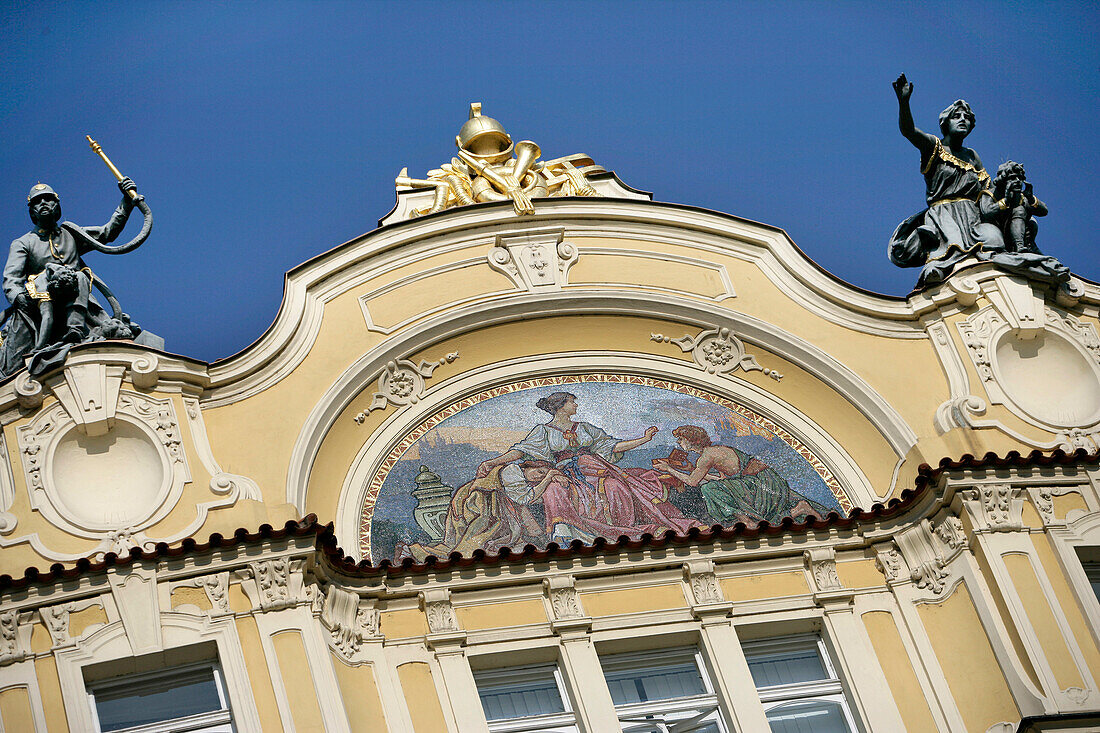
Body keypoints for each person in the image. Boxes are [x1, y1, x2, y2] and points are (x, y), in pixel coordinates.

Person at [888, 74, 1067, 288]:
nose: (963, 120)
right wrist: (904, 102)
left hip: (973, 215)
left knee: (994, 241)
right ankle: (934, 269)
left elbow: (989, 188)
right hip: (946, 214)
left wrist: (1010, 188)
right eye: (957, 116)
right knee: (950, 251)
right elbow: (908, 131)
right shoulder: (934, 147)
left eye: (967, 118)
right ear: (946, 123)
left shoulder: (973, 156)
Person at [476, 392, 704, 542]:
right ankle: (564, 533)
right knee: (555, 490)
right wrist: (493, 462)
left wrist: (644, 440)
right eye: (572, 402)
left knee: (616, 485)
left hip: (596, 468)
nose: (576, 405)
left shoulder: (584, 428)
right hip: (566, 472)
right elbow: (521, 451)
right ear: (561, 407)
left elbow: (612, 446)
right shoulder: (543, 431)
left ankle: (625, 533)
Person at [1, 179, 142, 375]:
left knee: (83, 281)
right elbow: (11, 279)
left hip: (81, 299)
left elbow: (107, 233)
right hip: (42, 301)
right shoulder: (23, 243)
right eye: (37, 202)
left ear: (57, 205)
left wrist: (126, 203)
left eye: (48, 200)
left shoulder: (71, 233)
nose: (43, 204)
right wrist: (18, 297)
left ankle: (77, 330)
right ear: (32, 211)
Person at [654, 425, 830, 525]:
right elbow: (723, 480)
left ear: (691, 440)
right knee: (712, 486)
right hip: (763, 481)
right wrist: (688, 471)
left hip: (761, 484)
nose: (679, 442)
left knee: (708, 489)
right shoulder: (712, 453)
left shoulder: (707, 456)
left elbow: (693, 483)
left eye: (681, 439)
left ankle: (746, 521)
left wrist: (669, 469)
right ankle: (798, 509)